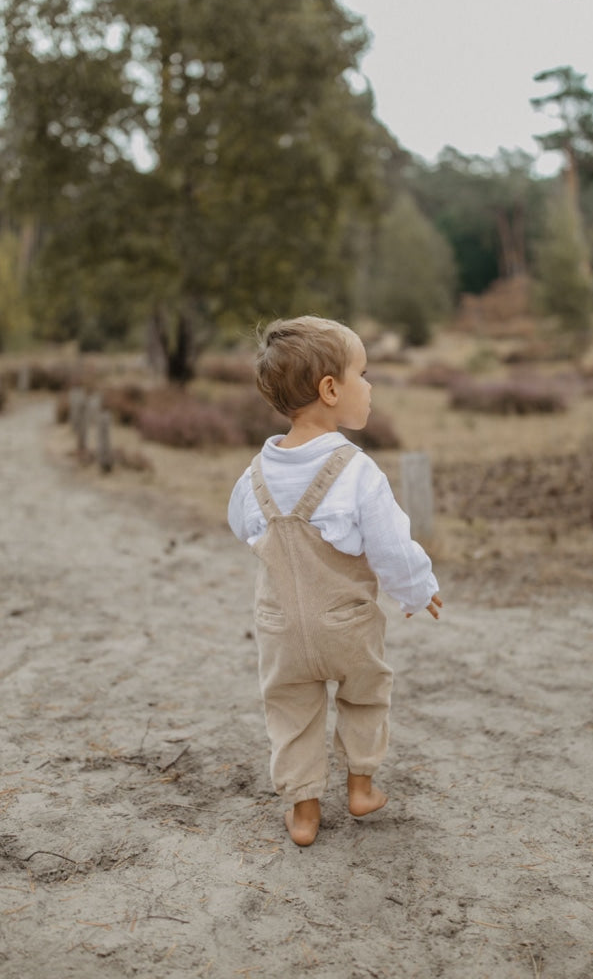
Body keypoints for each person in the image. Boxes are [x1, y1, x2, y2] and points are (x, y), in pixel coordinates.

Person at [227, 316, 442, 846]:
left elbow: (241, 525)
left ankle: (303, 813)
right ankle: (361, 787)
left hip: (280, 629)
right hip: (345, 623)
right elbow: (391, 545)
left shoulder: (256, 471)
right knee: (366, 695)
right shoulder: (356, 471)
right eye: (362, 374)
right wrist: (417, 589)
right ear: (330, 390)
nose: (369, 386)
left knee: (291, 711)